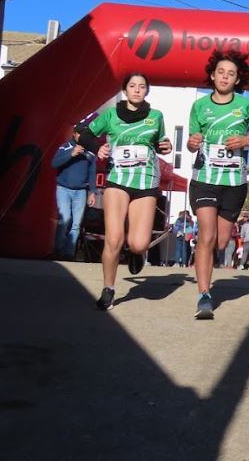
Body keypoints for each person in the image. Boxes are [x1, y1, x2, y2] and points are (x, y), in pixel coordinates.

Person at [187, 49, 249, 319]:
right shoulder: (200, 106)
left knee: (221, 242)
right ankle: (204, 295)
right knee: (207, 235)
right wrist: (192, 142)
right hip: (205, 180)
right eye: (220, 72)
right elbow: (191, 143)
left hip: (234, 183)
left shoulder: (246, 106)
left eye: (230, 74)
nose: (225, 77)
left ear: (237, 79)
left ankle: (206, 266)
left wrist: (247, 140)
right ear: (212, 76)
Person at [84, 73, 172, 310]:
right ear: (125, 90)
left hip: (145, 182)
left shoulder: (156, 116)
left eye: (142, 86)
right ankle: (108, 289)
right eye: (132, 86)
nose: (137, 90)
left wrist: (166, 146)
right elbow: (84, 134)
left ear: (146, 91)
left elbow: (160, 144)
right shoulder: (110, 115)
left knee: (139, 243)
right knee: (113, 238)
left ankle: (136, 253)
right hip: (117, 180)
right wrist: (97, 148)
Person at [51, 124, 97, 261]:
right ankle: (58, 250)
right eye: (80, 133)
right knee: (64, 220)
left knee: (76, 224)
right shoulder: (65, 147)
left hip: (81, 191)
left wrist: (92, 192)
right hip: (63, 189)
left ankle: (69, 253)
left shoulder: (89, 152)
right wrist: (71, 154)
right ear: (74, 134)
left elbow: (92, 173)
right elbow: (54, 164)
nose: (83, 136)